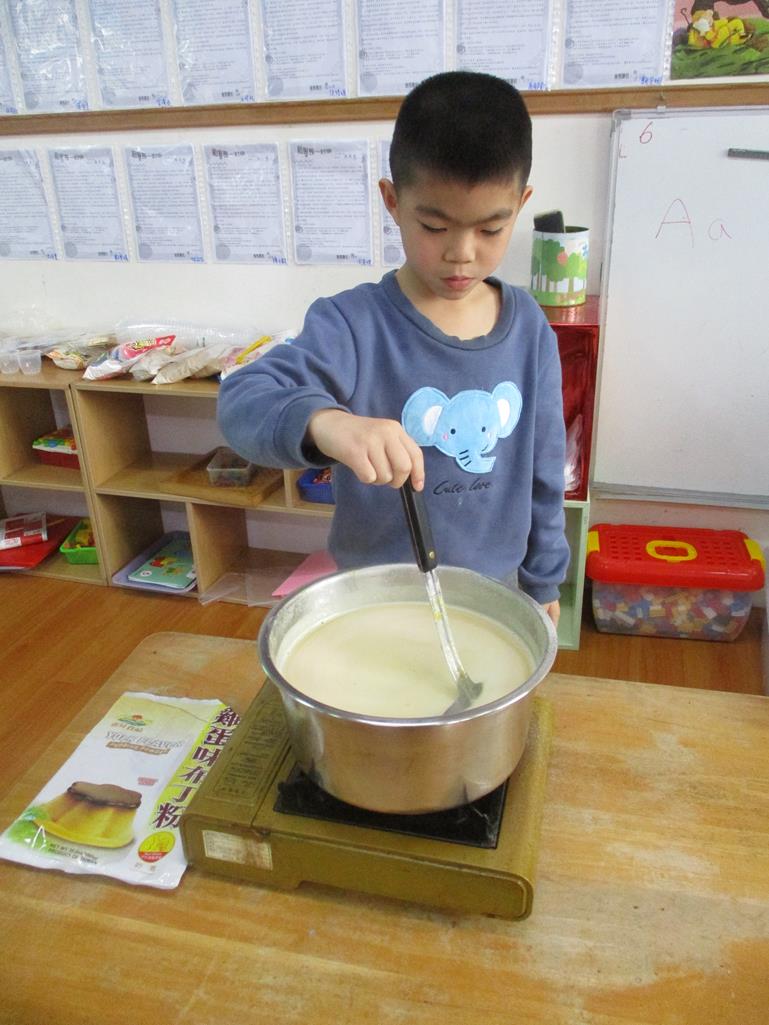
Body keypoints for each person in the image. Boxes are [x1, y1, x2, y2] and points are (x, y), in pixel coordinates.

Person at [218, 71, 569, 625]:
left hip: (495, 591)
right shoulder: (352, 324)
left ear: (520, 206)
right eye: (433, 225)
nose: (461, 253)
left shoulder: (529, 328)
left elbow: (546, 470)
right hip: (376, 596)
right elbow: (242, 400)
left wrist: (545, 577)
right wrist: (328, 423)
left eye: (490, 230)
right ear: (392, 200)